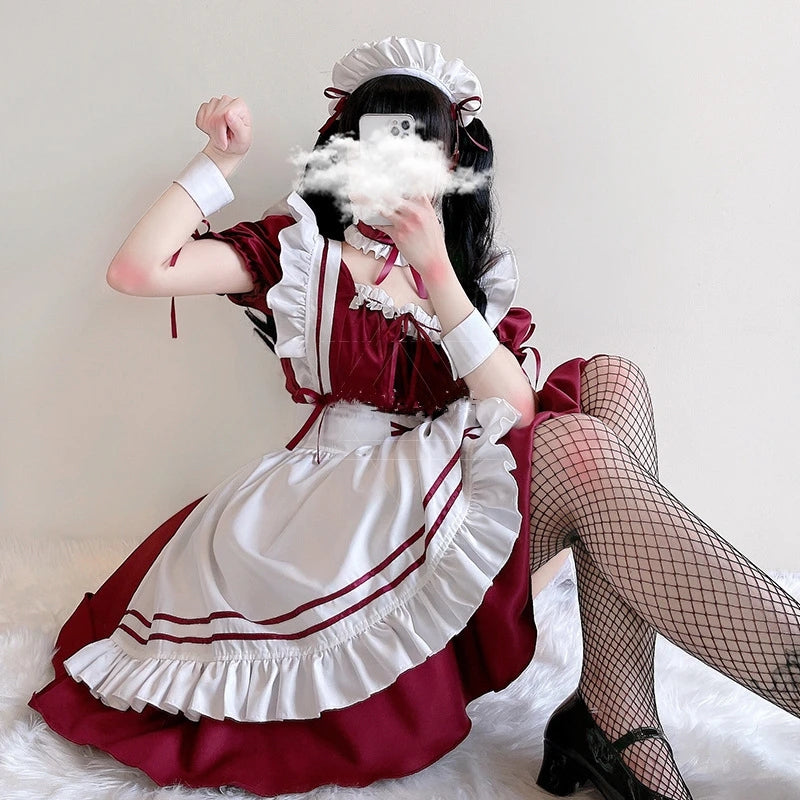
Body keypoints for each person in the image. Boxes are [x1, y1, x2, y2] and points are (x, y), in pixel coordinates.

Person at [27, 36, 799, 800]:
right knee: (577, 444)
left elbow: (515, 412)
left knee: (614, 380)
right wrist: (219, 159)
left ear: (449, 164)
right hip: (341, 511)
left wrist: (434, 269)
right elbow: (137, 271)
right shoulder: (304, 255)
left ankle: (615, 711)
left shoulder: (464, 277)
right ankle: (626, 717)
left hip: (453, 492)